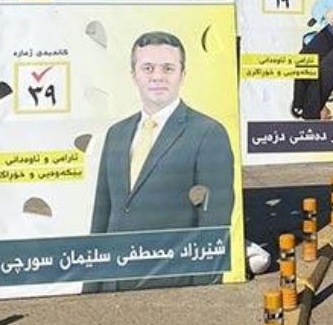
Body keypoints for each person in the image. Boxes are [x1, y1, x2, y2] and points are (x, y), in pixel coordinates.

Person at [91, 31, 234, 234]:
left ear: (182, 75)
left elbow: (215, 224)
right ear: (133, 75)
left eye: (168, 68)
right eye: (147, 68)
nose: (157, 77)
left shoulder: (208, 133)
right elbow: (102, 213)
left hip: (174, 255)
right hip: (115, 254)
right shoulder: (116, 134)